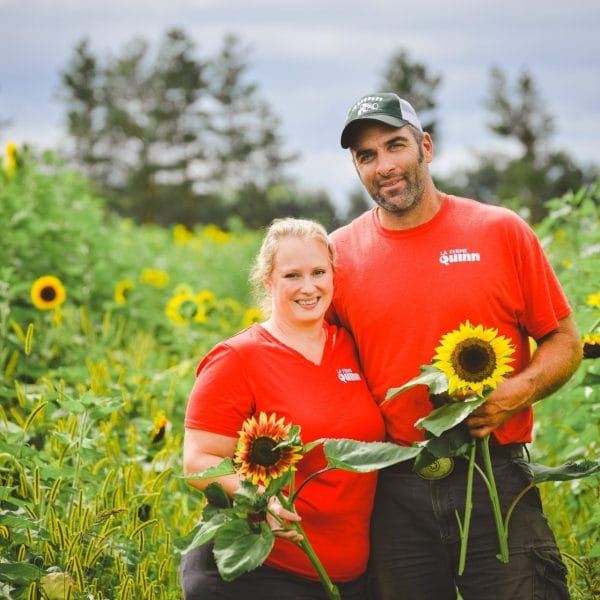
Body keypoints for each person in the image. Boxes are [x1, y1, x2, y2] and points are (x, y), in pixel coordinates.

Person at [329, 92, 583, 599]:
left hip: (495, 474)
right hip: (392, 486)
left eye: (395, 145)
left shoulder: (499, 232)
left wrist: (517, 392)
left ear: (426, 147)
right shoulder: (338, 256)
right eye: (366, 156)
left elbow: (565, 340)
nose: (384, 166)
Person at [180, 217, 385, 600]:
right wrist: (263, 501)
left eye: (319, 272)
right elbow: (198, 462)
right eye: (292, 275)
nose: (308, 288)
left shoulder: (351, 347)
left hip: (346, 579)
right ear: (268, 280)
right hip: (258, 574)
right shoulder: (237, 358)